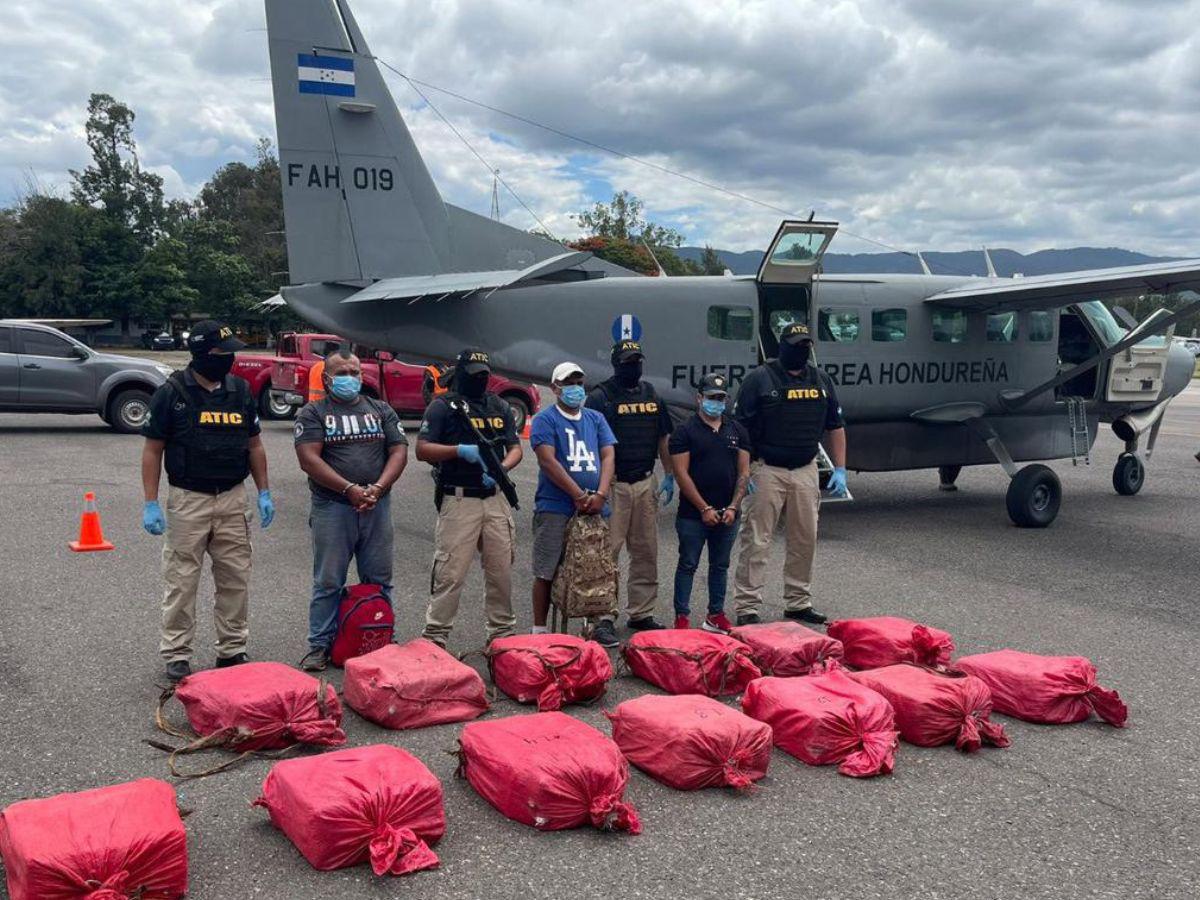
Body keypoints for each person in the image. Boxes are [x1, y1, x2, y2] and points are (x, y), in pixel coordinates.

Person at [140, 320, 274, 682]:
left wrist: (263, 492)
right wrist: (151, 501)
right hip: (189, 500)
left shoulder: (241, 391)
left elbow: (255, 445)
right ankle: (177, 653)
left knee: (235, 578)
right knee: (181, 580)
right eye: (223, 352)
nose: (230, 358)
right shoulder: (171, 393)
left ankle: (231, 649)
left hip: (232, 498)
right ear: (202, 353)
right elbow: (153, 450)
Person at [294, 349, 408, 671]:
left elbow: (398, 451)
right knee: (328, 581)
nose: (349, 378)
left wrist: (378, 488)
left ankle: (382, 635)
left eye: (354, 372)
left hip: (376, 505)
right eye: (342, 373)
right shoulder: (313, 413)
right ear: (327, 378)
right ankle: (319, 645)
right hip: (334, 507)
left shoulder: (380, 409)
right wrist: (349, 489)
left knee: (379, 578)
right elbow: (309, 459)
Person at [731, 322, 848, 626]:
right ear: (782, 346)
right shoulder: (759, 379)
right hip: (767, 468)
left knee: (804, 538)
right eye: (795, 344)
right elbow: (740, 429)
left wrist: (840, 468)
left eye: (805, 345)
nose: (801, 350)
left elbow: (835, 426)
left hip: (806, 470)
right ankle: (747, 606)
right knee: (757, 540)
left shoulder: (821, 380)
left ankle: (798, 602)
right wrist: (744, 474)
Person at [417, 348, 522, 647]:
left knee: (501, 571)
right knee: (450, 573)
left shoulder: (498, 405)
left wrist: (501, 468)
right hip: (459, 498)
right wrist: (458, 451)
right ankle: (435, 637)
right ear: (462, 374)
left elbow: (515, 447)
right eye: (474, 375)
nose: (480, 380)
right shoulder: (442, 407)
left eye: (484, 376)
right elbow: (422, 450)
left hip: (495, 496)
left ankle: (501, 636)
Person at [585, 340, 675, 631]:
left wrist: (670, 474)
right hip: (614, 486)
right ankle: (601, 616)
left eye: (637, 360)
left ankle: (641, 612)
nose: (633, 366)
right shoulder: (600, 397)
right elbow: (591, 445)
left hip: (646, 482)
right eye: (627, 362)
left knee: (646, 551)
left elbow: (663, 437)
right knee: (606, 553)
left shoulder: (651, 393)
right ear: (616, 365)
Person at [529, 361, 617, 645]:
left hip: (594, 505)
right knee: (547, 568)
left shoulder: (595, 418)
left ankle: (592, 627)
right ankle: (540, 630)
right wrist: (578, 495)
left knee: (594, 567)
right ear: (555, 388)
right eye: (569, 384)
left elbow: (607, 456)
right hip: (556, 505)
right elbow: (547, 460)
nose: (575, 389)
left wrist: (600, 495)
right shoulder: (546, 419)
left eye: (579, 383)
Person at [669, 373, 751, 633]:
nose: (716, 403)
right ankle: (682, 617)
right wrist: (703, 507)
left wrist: (733, 506)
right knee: (688, 564)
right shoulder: (684, 431)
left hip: (728, 514)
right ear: (699, 398)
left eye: (721, 398)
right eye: (711, 398)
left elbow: (744, 472)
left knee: (720, 565)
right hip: (693, 515)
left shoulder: (737, 430)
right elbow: (681, 474)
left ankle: (715, 614)